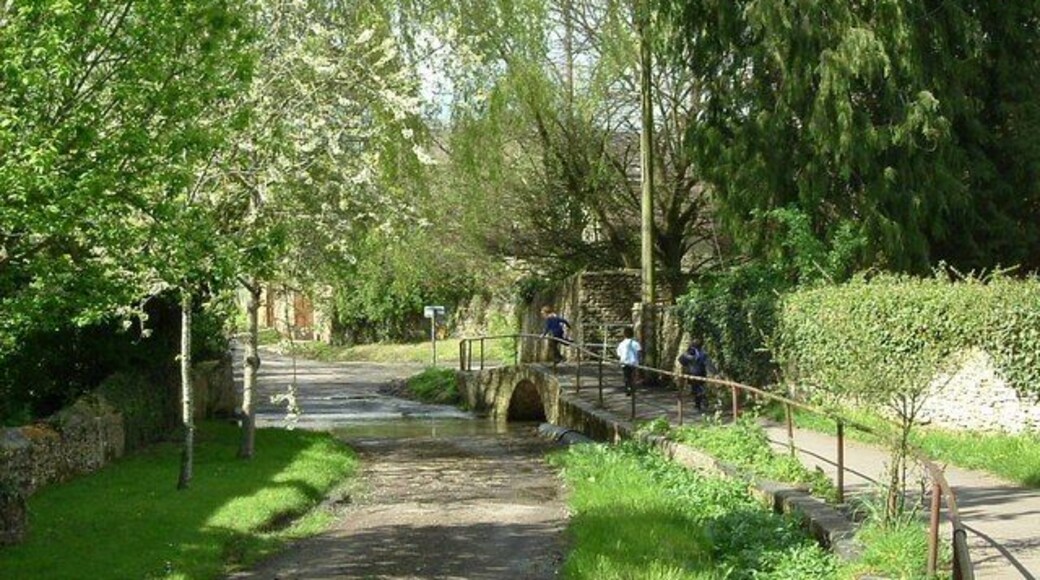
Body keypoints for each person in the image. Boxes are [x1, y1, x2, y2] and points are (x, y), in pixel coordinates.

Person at [678, 338, 716, 412]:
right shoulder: (703, 354)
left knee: (696, 389)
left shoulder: (689, 353)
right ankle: (701, 402)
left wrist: (687, 362)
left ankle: (699, 404)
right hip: (700, 373)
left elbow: (681, 360)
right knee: (699, 388)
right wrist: (714, 372)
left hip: (692, 374)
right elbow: (709, 364)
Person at [616, 327, 642, 396]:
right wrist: (639, 360)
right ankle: (632, 388)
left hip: (625, 362)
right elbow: (639, 352)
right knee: (633, 376)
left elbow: (619, 354)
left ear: (624, 335)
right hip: (634, 362)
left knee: (626, 376)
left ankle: (628, 388)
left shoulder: (621, 344)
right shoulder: (636, 343)